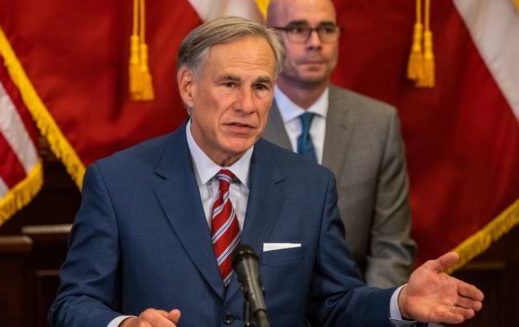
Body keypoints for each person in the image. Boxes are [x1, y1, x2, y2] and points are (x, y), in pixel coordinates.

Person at [48, 16, 483, 327]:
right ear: (188, 87)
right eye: (229, 83)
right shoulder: (118, 182)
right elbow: (73, 303)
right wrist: (124, 325)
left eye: (261, 87)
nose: (247, 105)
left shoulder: (309, 185)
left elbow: (335, 303)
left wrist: (401, 301)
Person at [263, 0, 415, 288]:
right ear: (270, 38)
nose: (315, 43)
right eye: (298, 29)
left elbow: (391, 248)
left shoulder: (378, 123)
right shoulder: (242, 122)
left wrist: (369, 313)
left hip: (351, 304)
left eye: (326, 29)